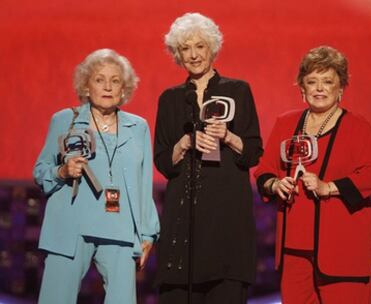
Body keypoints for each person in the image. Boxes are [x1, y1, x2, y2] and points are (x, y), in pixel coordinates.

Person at [254, 45, 371, 303]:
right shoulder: (286, 123)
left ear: (341, 88)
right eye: (312, 82)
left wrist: (328, 187)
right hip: (294, 254)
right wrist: (275, 184)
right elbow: (263, 172)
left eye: (328, 81)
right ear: (302, 88)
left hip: (343, 253)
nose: (320, 88)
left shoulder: (358, 127)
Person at [33, 48, 160, 304]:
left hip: (119, 226)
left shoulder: (138, 127)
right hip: (69, 227)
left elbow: (143, 183)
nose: (108, 87)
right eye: (99, 79)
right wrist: (62, 171)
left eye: (115, 81)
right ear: (86, 86)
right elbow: (41, 171)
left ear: (124, 89)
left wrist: (148, 233)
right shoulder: (65, 120)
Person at [154, 12, 263, 304]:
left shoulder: (237, 90)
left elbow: (253, 152)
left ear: (212, 48)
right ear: (177, 54)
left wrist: (227, 136)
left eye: (199, 46)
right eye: (185, 48)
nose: (193, 55)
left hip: (227, 218)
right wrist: (185, 142)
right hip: (183, 220)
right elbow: (163, 161)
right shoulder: (170, 98)